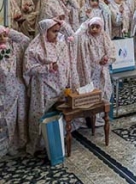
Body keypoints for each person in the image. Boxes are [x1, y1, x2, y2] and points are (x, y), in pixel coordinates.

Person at [23, 19, 79, 154]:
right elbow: (28, 69)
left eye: (58, 31)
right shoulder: (34, 49)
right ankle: (38, 143)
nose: (56, 34)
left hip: (60, 86)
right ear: (44, 31)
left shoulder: (61, 44)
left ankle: (57, 139)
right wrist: (48, 67)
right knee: (40, 113)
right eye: (53, 31)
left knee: (60, 112)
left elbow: (73, 41)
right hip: (43, 88)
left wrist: (63, 24)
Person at [75, 17, 116, 127]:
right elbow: (75, 37)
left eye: (97, 27)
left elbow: (111, 50)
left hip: (102, 70)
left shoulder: (104, 36)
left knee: (103, 92)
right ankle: (90, 118)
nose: (94, 29)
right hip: (88, 71)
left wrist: (106, 59)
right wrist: (83, 27)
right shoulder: (84, 37)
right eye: (92, 26)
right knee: (90, 94)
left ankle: (99, 116)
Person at [0, 26, 30, 154]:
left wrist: (10, 32)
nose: (2, 38)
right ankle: (8, 144)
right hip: (4, 91)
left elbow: (26, 40)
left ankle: (20, 141)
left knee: (21, 115)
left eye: (4, 35)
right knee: (7, 118)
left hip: (18, 86)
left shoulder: (13, 45)